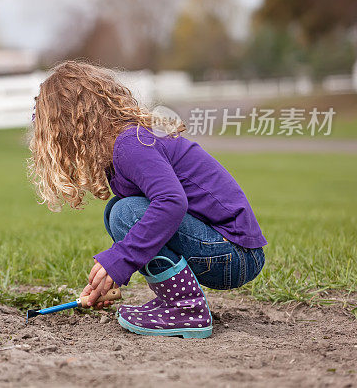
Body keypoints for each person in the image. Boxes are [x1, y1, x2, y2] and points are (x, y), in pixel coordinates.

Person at [28, 61, 266, 338]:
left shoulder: (131, 144)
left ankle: (186, 310)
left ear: (75, 125)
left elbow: (171, 203)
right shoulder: (127, 145)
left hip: (234, 254)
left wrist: (121, 259)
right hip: (224, 249)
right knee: (117, 211)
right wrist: (112, 272)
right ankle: (176, 302)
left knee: (124, 212)